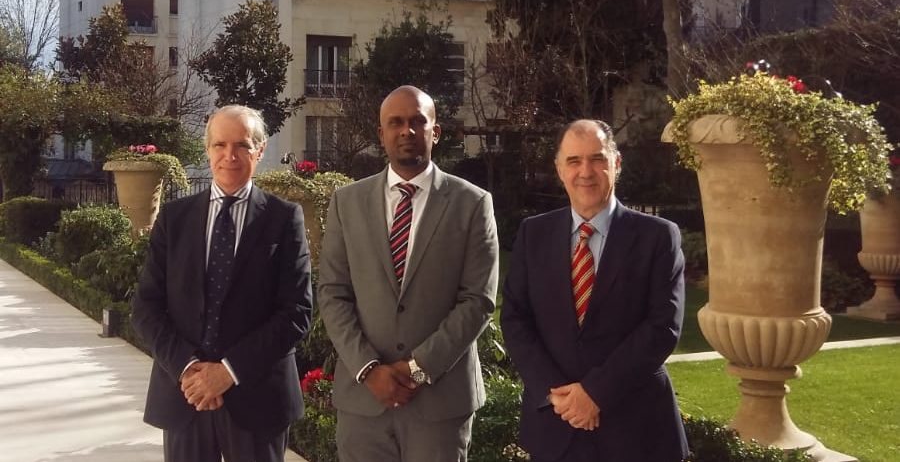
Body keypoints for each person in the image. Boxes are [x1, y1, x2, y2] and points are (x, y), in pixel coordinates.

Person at [318, 85, 499, 462]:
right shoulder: (346, 202)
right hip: (363, 403)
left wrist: (417, 369)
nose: (407, 131)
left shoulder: (472, 203)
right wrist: (369, 371)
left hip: (439, 404)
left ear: (436, 131)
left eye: (418, 121)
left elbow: (478, 300)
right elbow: (333, 293)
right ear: (380, 133)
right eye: (396, 122)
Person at [500, 119, 689, 462]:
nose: (585, 171)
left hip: (636, 430)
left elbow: (663, 327)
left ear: (616, 164)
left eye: (597, 159)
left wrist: (595, 393)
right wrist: (557, 394)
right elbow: (515, 318)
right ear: (559, 170)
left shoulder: (658, 237)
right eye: (573, 161)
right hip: (555, 426)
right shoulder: (533, 235)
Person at [132, 105, 312, 462]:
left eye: (243, 146)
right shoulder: (174, 218)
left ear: (260, 151)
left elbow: (296, 312)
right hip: (186, 394)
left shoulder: (284, 219)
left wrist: (228, 372)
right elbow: (146, 307)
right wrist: (190, 369)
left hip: (258, 397)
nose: (230, 156)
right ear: (208, 149)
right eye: (220, 145)